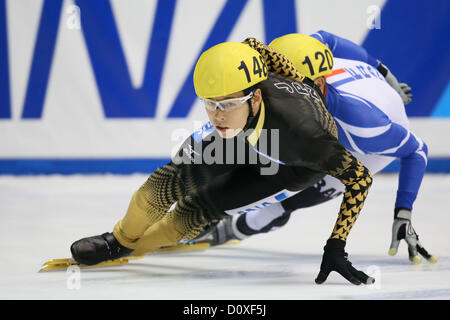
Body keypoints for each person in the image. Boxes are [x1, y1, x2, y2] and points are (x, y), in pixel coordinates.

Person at [70, 40, 376, 285]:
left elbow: (361, 177)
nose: (218, 115)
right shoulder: (241, 91)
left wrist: (336, 246)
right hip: (249, 132)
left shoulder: (307, 137)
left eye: (227, 104)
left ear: (256, 98)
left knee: (198, 208)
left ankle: (138, 245)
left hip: (291, 164)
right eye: (210, 103)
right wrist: (235, 102)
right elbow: (253, 45)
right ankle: (118, 241)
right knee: (162, 187)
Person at [198, 32, 436, 265]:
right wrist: (383, 70)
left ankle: (233, 231)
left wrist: (403, 212)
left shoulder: (363, 129)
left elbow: (417, 150)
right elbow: (326, 38)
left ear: (318, 85)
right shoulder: (298, 56)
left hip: (362, 148)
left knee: (286, 198)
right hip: (356, 91)